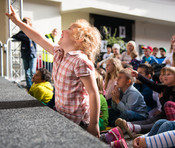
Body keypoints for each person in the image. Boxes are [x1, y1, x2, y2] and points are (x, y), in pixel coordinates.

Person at [6, 6, 101, 137]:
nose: (63, 30)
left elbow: (93, 92)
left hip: (78, 122)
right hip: (62, 114)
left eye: (69, 29)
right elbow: (38, 38)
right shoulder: (58, 53)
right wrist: (17, 21)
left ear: (79, 39)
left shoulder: (81, 61)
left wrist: (94, 124)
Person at [116, 66, 175, 138]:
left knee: (156, 124)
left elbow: (169, 106)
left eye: (168, 74)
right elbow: (151, 84)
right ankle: (128, 125)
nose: (164, 76)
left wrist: (161, 99)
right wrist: (138, 76)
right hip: (163, 114)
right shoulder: (164, 88)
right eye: (164, 74)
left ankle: (133, 128)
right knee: (149, 121)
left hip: (170, 119)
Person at [12, 17, 37, 90]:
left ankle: (35, 86)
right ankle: (29, 86)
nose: (25, 24)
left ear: (29, 23)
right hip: (25, 54)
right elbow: (15, 36)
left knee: (32, 72)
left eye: (27, 22)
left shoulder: (33, 30)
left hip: (32, 54)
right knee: (27, 72)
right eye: (24, 22)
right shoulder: (22, 32)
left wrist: (24, 36)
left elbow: (28, 37)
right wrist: (23, 36)